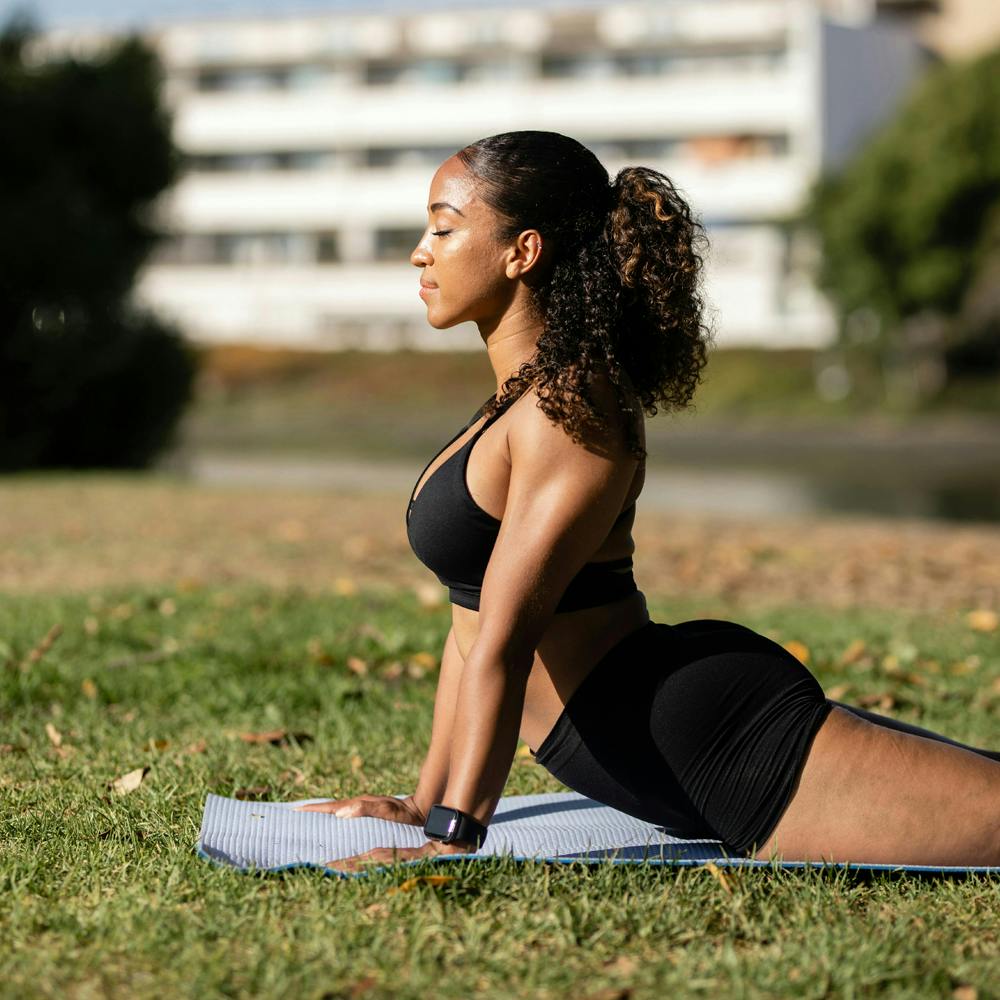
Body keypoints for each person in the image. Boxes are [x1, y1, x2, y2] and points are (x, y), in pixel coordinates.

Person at [298, 131, 1000, 870]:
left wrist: (452, 838)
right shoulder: (517, 404)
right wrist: (421, 803)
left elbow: (505, 639)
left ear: (522, 252)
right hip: (664, 727)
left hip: (716, 743)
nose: (421, 251)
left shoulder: (573, 409)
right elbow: (468, 622)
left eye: (443, 228)